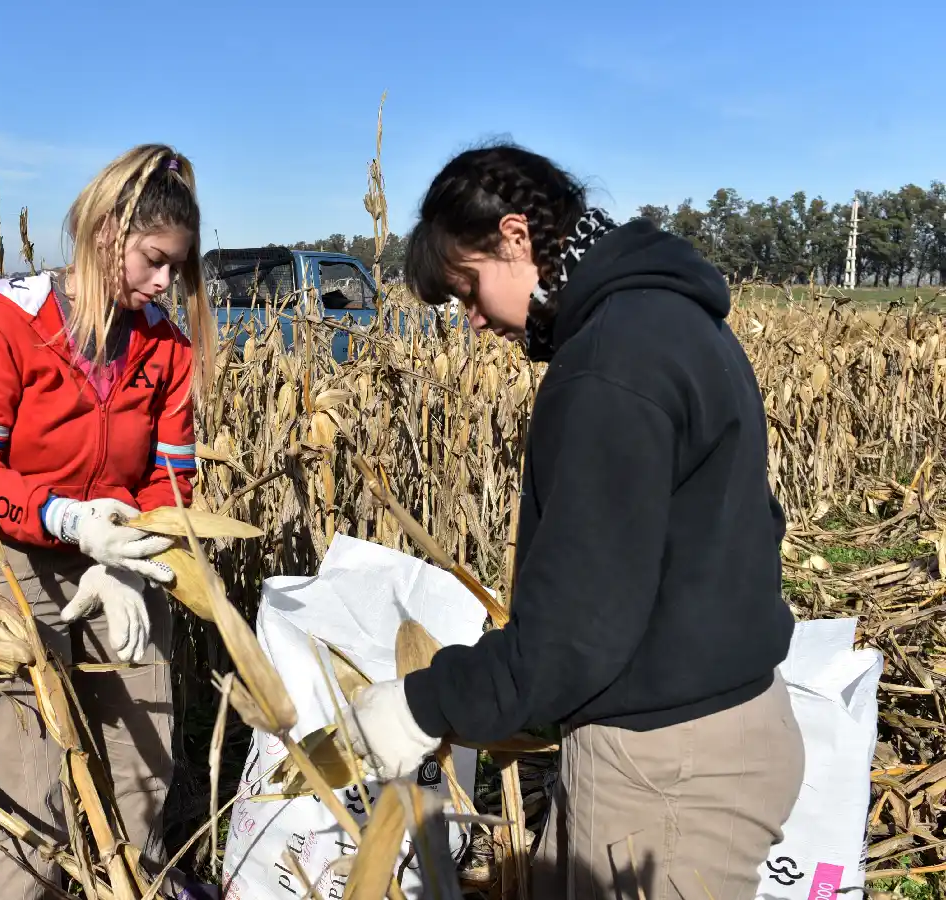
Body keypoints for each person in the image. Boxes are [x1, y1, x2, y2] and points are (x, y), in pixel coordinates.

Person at [343, 143, 804, 900]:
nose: (474, 322)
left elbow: (574, 634)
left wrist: (425, 703)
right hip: (719, 726)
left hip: (666, 773)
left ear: (517, 237)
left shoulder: (609, 367)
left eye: (468, 288)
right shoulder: (675, 321)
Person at [0, 144, 217, 900]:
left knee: (143, 753)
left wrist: (125, 550)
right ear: (106, 232)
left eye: (175, 270)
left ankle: (138, 885)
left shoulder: (166, 348)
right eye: (154, 260)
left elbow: (172, 475)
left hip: (124, 553)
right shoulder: (1, 325)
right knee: (26, 772)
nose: (163, 283)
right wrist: (64, 518)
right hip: (7, 557)